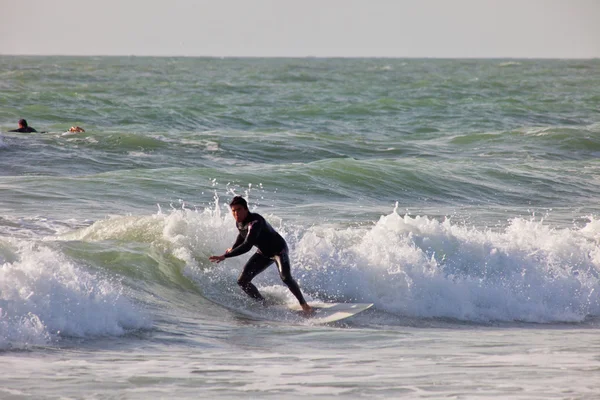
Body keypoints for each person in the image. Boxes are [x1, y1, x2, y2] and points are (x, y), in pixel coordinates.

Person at [209, 196, 313, 314]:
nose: (236, 213)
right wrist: (232, 248)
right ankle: (264, 304)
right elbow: (242, 236)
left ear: (246, 209)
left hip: (279, 250)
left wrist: (225, 256)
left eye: (238, 210)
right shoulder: (239, 223)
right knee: (242, 281)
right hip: (263, 252)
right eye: (233, 211)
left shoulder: (255, 222)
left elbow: (247, 246)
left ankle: (304, 305)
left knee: (286, 278)